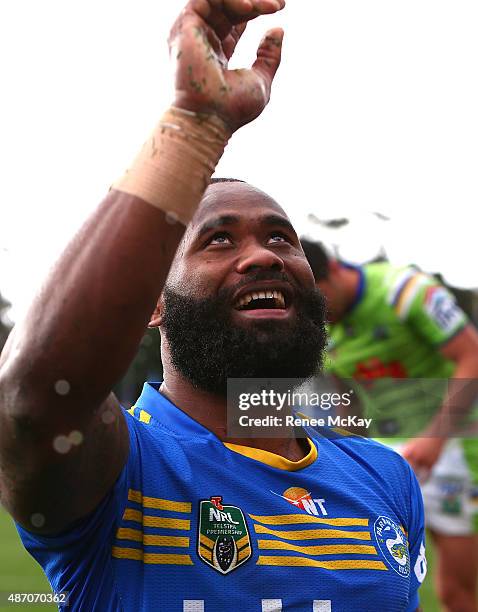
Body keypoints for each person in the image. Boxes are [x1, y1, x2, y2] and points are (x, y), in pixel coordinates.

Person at [0, 1, 427, 610]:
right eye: (217, 239)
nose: (262, 256)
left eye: (281, 238)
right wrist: (195, 127)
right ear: (153, 304)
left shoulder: (386, 480)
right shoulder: (123, 467)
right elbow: (31, 401)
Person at [301, 239, 478, 612]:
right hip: (390, 454)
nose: (320, 314)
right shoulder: (320, 328)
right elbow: (346, 402)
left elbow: (471, 355)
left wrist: (434, 437)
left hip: (453, 448)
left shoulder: (404, 292)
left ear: (333, 269)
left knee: (456, 590)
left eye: (321, 300)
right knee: (376, 580)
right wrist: (346, 456)